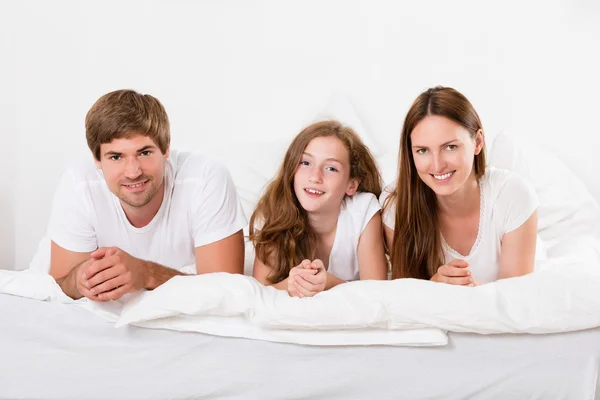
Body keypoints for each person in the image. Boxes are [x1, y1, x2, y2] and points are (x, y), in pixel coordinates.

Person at [48, 89, 246, 301]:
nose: (133, 172)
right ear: (97, 160)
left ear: (166, 148)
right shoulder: (80, 184)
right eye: (116, 157)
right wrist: (80, 279)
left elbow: (228, 293)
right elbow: (57, 286)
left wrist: (146, 274)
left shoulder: (204, 178)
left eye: (144, 153)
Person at [380, 86, 539, 285]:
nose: (437, 165)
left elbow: (516, 302)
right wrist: (435, 286)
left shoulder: (513, 195)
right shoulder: (396, 204)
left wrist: (472, 292)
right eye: (422, 151)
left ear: (478, 142)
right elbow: (403, 297)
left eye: (450, 147)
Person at [250, 120, 388, 297]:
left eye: (331, 168)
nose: (315, 177)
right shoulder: (273, 212)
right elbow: (258, 293)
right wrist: (292, 283)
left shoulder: (363, 211)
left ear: (351, 184)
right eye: (306, 163)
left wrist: (330, 283)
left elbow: (377, 293)